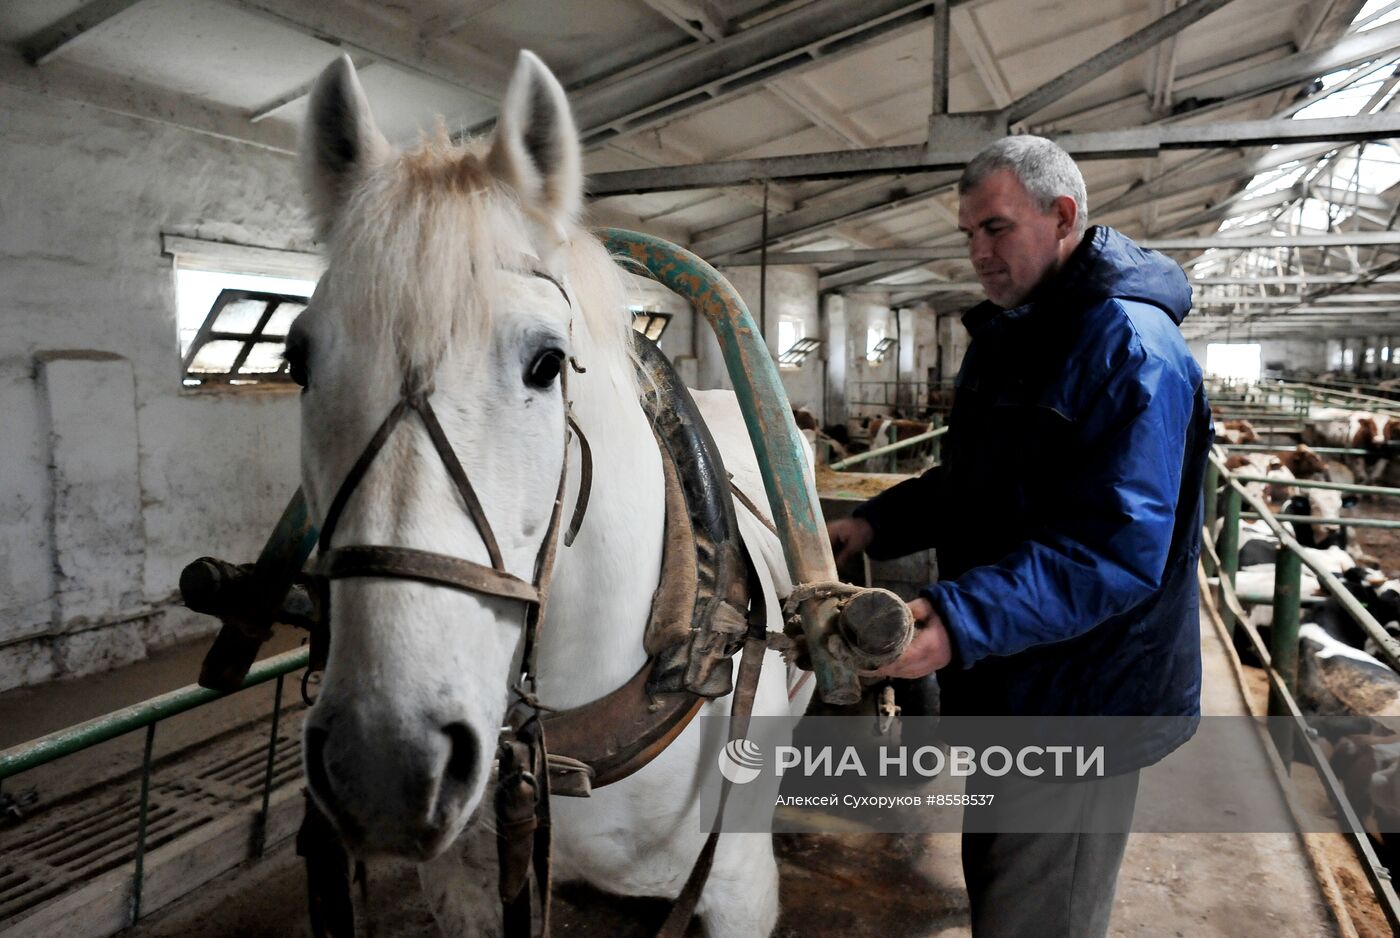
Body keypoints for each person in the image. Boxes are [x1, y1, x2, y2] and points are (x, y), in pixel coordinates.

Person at [827, 135, 1212, 937]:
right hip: (1024, 679)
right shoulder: (1020, 336)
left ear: (1062, 215)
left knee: (1040, 912)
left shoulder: (1129, 347)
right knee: (1004, 889)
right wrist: (873, 523)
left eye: (995, 228)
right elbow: (979, 487)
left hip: (1084, 695)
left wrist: (964, 621)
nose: (976, 252)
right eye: (968, 233)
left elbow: (1114, 548)